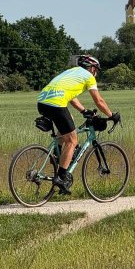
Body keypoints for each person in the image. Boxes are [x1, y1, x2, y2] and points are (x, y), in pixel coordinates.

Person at [37, 55, 120, 194]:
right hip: (56, 104)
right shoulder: (89, 77)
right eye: (96, 70)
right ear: (92, 68)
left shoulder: (70, 72)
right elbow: (98, 101)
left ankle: (58, 157)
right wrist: (111, 115)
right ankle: (61, 177)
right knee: (72, 140)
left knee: (67, 129)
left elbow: (71, 96)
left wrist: (83, 110)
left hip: (42, 102)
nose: (96, 73)